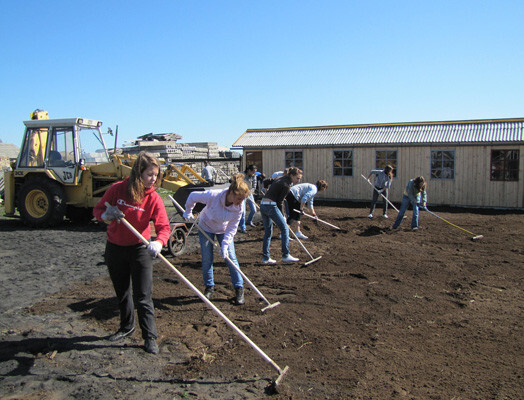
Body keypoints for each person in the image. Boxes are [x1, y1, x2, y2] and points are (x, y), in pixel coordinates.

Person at [93, 152, 170, 355]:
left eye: (156, 175)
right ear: (138, 173)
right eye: (149, 174)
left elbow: (164, 227)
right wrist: (106, 215)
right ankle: (126, 327)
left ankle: (149, 337)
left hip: (140, 249)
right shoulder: (118, 189)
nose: (153, 179)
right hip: (115, 248)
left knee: (143, 296)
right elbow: (98, 210)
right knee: (122, 292)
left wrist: (159, 243)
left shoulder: (153, 198)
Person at [183, 173, 251, 305]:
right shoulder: (214, 195)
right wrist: (188, 211)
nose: (240, 202)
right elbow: (192, 196)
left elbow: (232, 228)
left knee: (231, 257)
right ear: (231, 192)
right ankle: (209, 287)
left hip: (223, 230)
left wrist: (224, 245)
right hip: (206, 227)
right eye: (239, 199)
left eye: (243, 200)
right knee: (207, 258)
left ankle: (239, 288)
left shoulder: (239, 207)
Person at [260, 167, 303, 264]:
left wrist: (267, 191)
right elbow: (280, 202)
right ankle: (285, 255)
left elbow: (266, 181)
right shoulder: (286, 185)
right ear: (291, 176)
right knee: (284, 229)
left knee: (268, 232)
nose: (298, 180)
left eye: (299, 178)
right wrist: (283, 215)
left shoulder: (280, 178)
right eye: (297, 178)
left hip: (263, 205)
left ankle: (266, 258)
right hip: (271, 207)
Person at [238, 165, 258, 233]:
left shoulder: (254, 176)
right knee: (243, 212)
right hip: (241, 194)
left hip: (249, 194)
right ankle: (243, 227)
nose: (254, 173)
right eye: (253, 172)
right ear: (249, 170)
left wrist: (250, 192)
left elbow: (254, 186)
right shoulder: (241, 174)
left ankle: (249, 221)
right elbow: (236, 182)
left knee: (254, 210)